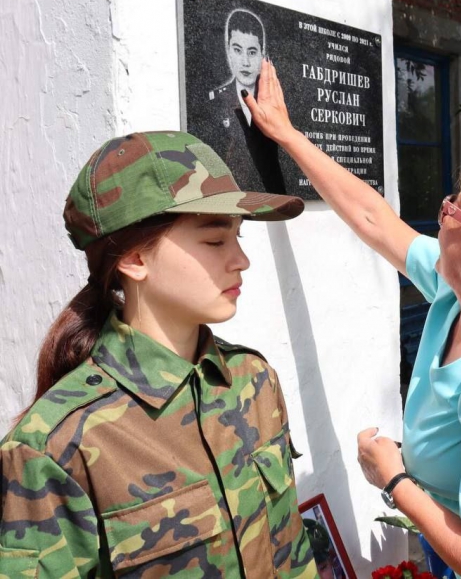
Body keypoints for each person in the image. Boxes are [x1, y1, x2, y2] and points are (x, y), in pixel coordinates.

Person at [244, 60, 461, 579]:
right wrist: (289, 136)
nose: (443, 209)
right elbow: (374, 218)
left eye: (456, 210)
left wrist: (395, 480)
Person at [0, 131, 315, 577]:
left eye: (238, 237)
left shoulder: (252, 379)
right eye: (214, 241)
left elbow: (290, 550)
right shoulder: (54, 447)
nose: (241, 260)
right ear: (132, 259)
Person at [206, 8, 286, 194]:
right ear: (228, 50)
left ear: (262, 54)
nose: (245, 62)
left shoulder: (277, 106)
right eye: (237, 50)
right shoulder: (214, 103)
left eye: (252, 52)